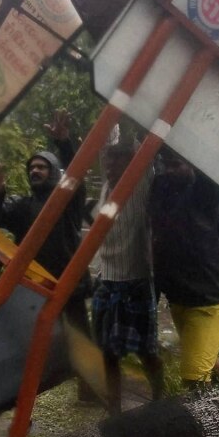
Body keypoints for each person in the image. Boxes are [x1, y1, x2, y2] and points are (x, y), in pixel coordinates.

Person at [0, 110, 96, 398]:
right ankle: (21, 397)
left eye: (42, 167)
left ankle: (92, 389)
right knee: (30, 342)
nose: (35, 170)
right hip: (35, 287)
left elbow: (77, 173)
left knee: (81, 337)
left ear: (55, 172)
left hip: (68, 284)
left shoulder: (68, 200)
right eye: (32, 167)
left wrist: (64, 143)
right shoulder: (23, 205)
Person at [89, 137, 165, 413]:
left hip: (136, 282)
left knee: (147, 351)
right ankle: (114, 411)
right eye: (107, 159)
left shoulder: (142, 184)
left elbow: (145, 149)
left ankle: (159, 401)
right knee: (108, 353)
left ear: (130, 161)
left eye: (117, 159)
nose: (110, 164)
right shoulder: (106, 189)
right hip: (106, 282)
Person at [149, 148, 219, 390]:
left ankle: (214, 422)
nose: (169, 170)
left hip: (208, 300)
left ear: (195, 164)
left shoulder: (206, 195)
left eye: (176, 164)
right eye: (165, 164)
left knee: (194, 380)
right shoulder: (161, 190)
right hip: (179, 298)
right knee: (202, 358)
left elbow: (215, 172)